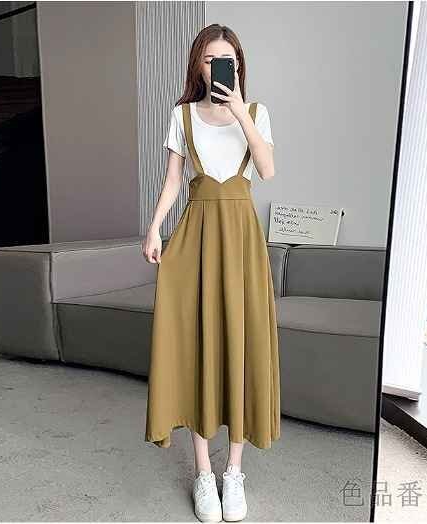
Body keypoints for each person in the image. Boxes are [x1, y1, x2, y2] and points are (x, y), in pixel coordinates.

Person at [142, 23, 281, 523]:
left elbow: (266, 170)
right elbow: (173, 181)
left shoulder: (256, 113)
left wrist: (240, 111)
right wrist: (154, 229)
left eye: (228, 61)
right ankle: (204, 472)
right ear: (198, 66)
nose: (219, 67)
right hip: (196, 235)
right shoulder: (181, 115)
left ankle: (233, 472)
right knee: (198, 345)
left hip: (240, 240)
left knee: (240, 343)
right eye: (210, 59)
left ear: (238, 66)